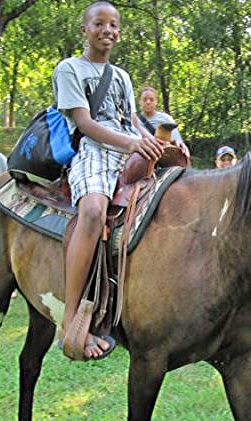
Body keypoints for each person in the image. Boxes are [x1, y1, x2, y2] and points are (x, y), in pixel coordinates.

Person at [53, 1, 163, 361]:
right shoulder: (69, 69)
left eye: (114, 25)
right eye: (99, 24)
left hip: (127, 150)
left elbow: (132, 120)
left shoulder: (122, 77)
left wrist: (158, 142)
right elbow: (84, 124)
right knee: (94, 212)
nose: (108, 31)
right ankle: (71, 318)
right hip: (94, 150)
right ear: (84, 29)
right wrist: (132, 142)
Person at [138, 86, 190, 158]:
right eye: (144, 99)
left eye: (151, 99)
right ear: (139, 101)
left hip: (164, 155)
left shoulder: (166, 118)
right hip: (141, 157)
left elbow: (177, 140)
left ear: (156, 102)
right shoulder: (134, 121)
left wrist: (181, 144)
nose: (148, 102)